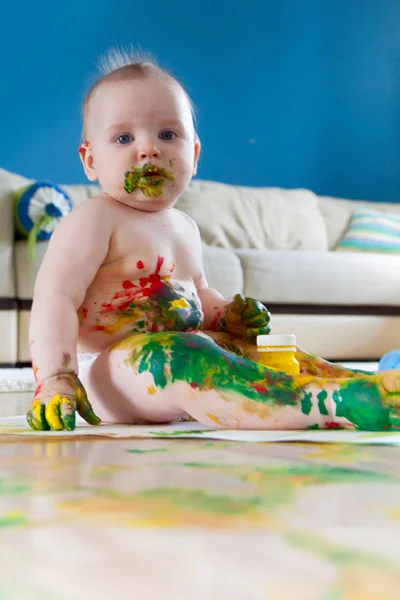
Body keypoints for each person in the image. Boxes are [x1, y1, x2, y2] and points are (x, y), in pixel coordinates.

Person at [27, 50, 400, 432]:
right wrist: (56, 377)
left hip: (183, 360)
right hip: (113, 374)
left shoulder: (184, 226)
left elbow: (197, 295)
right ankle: (328, 405)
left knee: (264, 350)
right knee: (182, 353)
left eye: (168, 134)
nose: (148, 148)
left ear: (194, 153)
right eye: (123, 138)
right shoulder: (93, 219)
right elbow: (56, 298)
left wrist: (225, 314)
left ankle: (360, 385)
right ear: (90, 161)